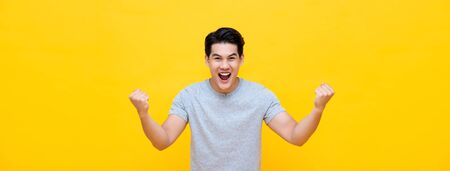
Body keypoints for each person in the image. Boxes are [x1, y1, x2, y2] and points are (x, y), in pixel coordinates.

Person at [129, 27, 335, 171]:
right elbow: (162, 141)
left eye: (231, 57)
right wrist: (143, 114)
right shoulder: (189, 96)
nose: (224, 65)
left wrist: (318, 109)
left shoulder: (260, 96)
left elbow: (295, 136)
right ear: (207, 60)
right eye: (217, 58)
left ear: (241, 59)